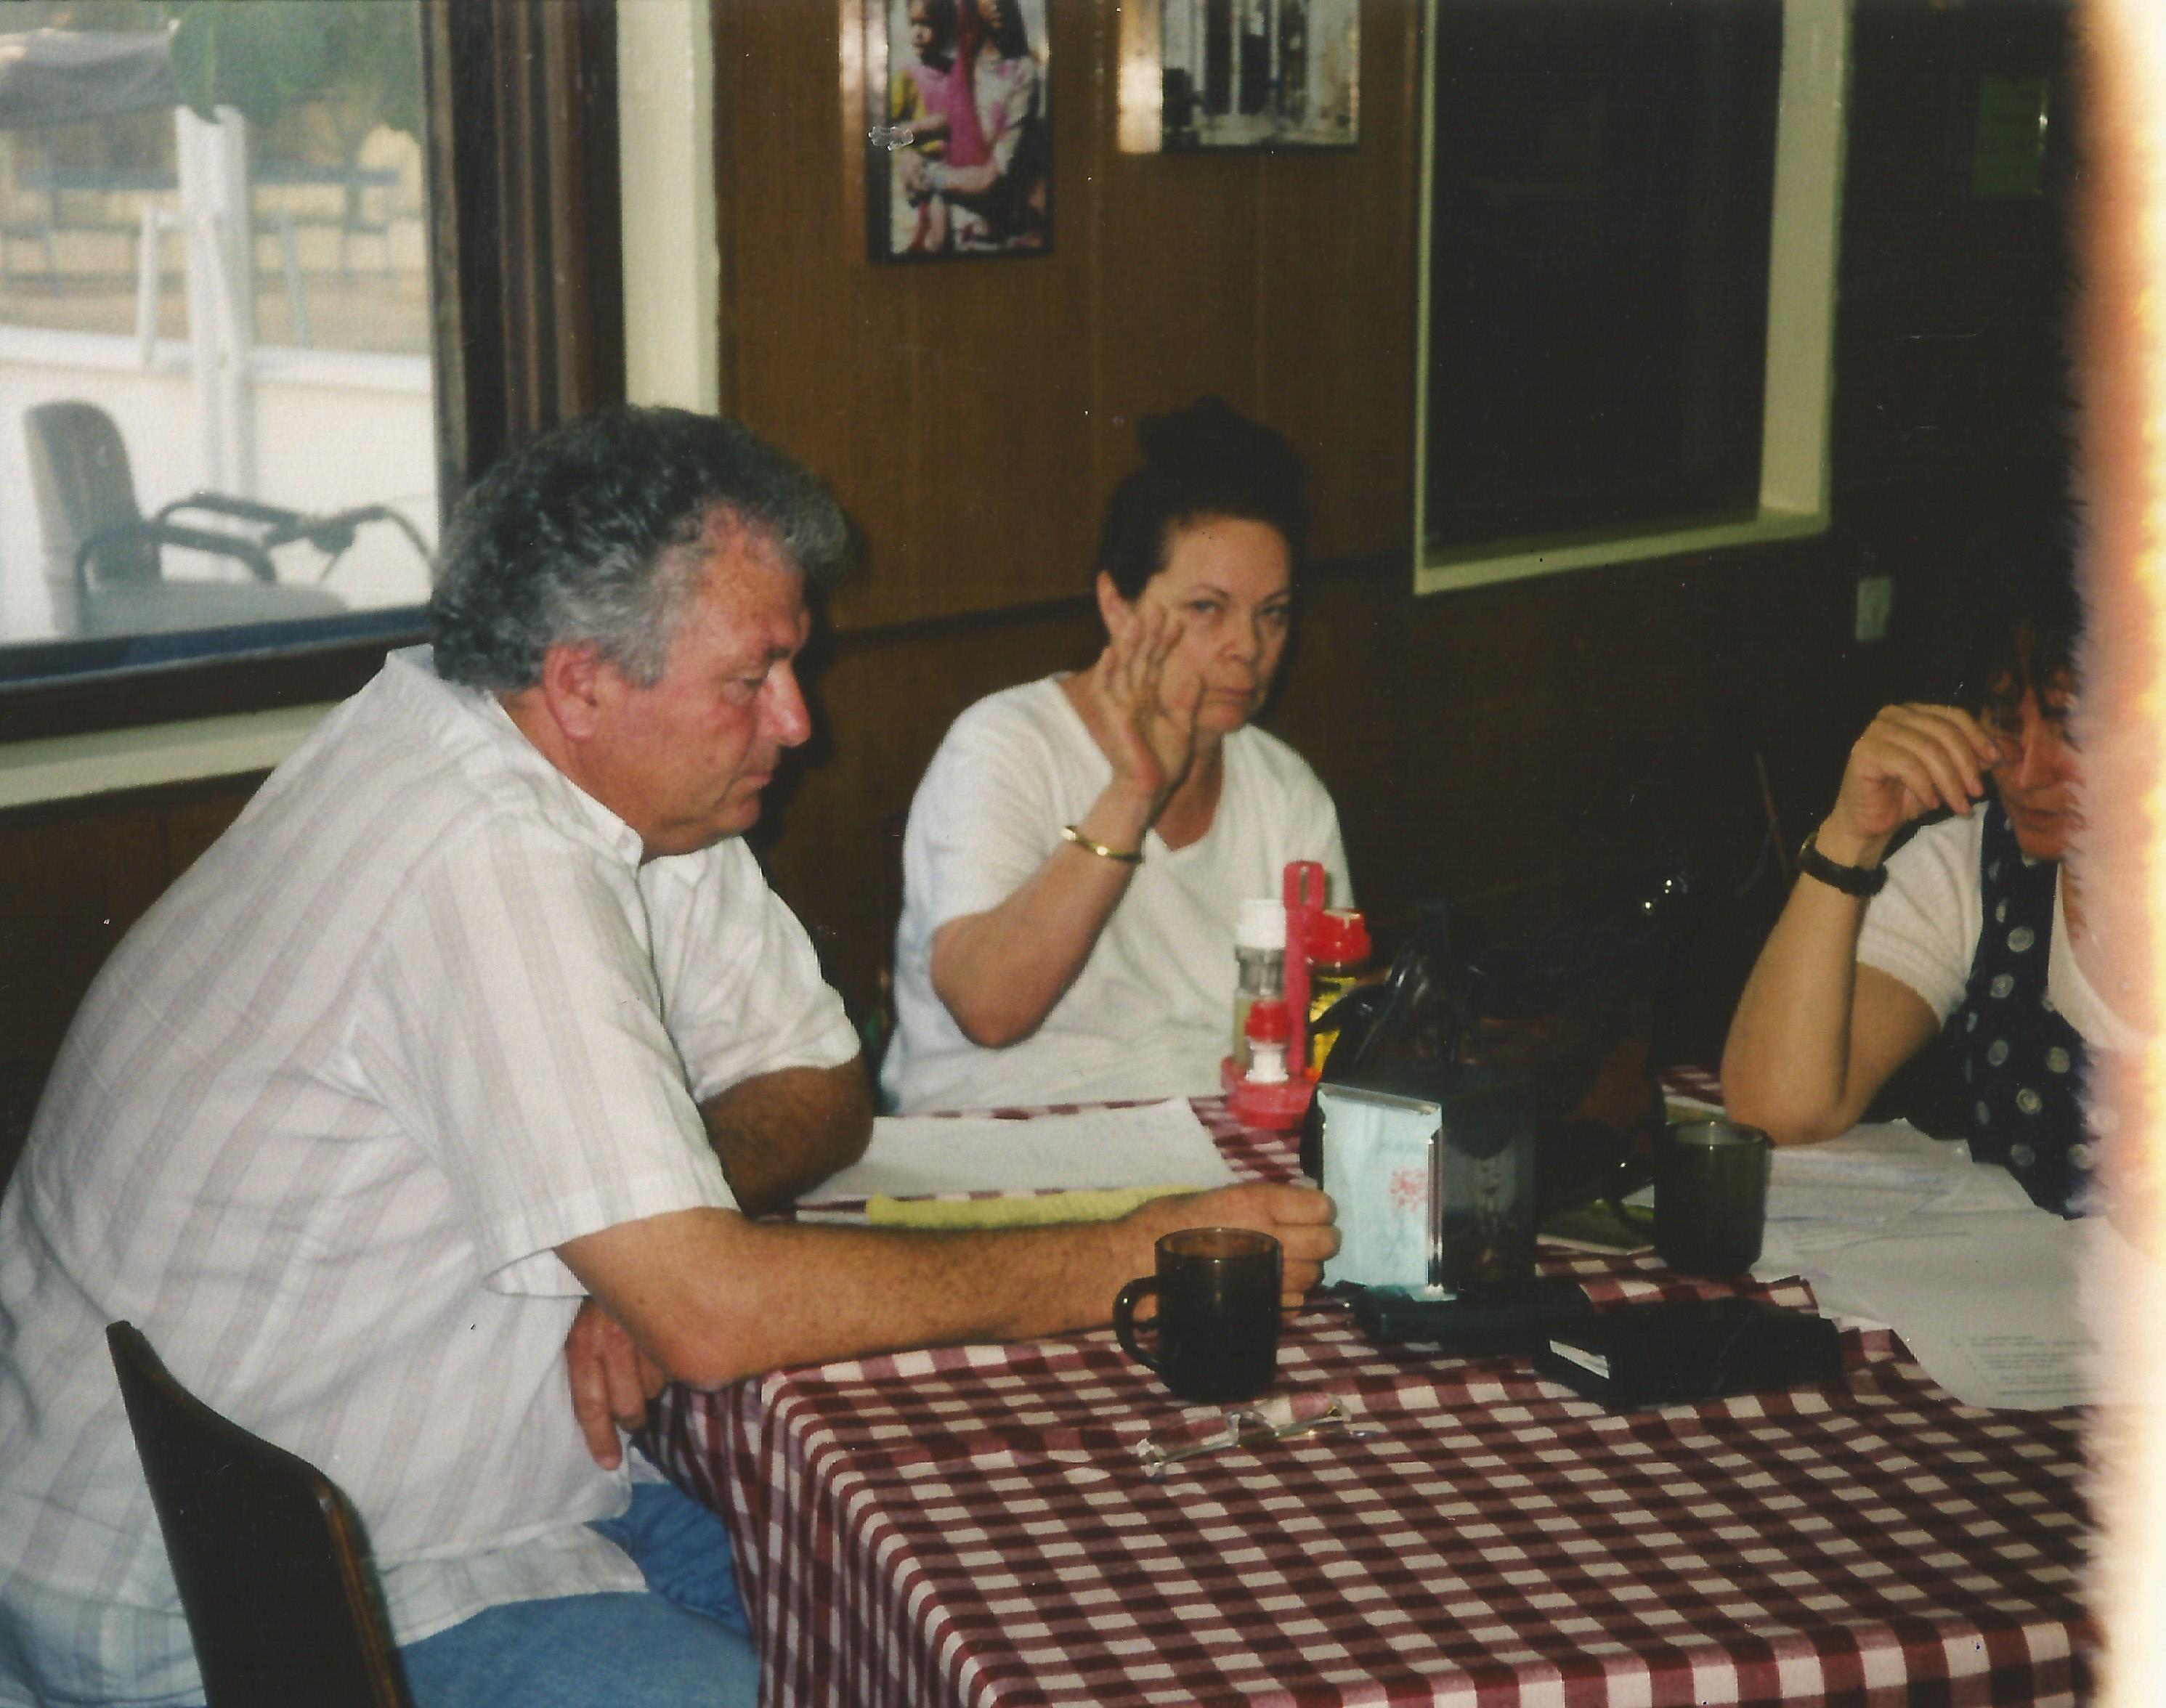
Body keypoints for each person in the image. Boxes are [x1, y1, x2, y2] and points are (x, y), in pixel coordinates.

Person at [0, 406, 1336, 1708]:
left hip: (480, 1500)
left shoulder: (599, 774)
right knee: (900, 1649)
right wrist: (1137, 1254)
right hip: (238, 1599)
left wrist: (640, 1235)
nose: (797, 721)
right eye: (751, 677)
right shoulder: (481, 850)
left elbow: (820, 1083)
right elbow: (712, 1317)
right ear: (582, 678)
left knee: (976, 1618)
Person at [883, 398, 1351, 1114]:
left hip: (1212, 1149)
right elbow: (989, 1010)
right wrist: (1133, 794)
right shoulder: (1006, 745)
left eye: (1273, 613)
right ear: (1118, 607)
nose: (1248, 648)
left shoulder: (1284, 790)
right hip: (1000, 1141)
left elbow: (1320, 1034)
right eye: (1207, 608)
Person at [1721, 534, 2134, 1214]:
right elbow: (1778, 1111)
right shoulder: (1974, 865)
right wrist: (1851, 838)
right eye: (2005, 722)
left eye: (2074, 729)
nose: (2027, 773)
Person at [895, 0, 1045, 253]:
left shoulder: (1023, 74)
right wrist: (904, 149)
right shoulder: (965, 67)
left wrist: (929, 177)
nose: (996, 4)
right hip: (948, 228)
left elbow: (994, 177)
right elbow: (953, 118)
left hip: (990, 238)